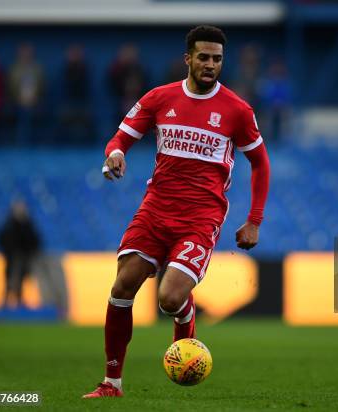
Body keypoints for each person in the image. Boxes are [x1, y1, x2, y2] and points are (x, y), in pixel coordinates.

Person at [83, 25, 271, 398]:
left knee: (169, 298)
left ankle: (184, 316)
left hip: (201, 216)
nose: (210, 65)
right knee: (122, 287)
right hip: (155, 209)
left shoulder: (236, 110)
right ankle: (111, 384)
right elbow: (121, 137)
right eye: (203, 57)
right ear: (188, 59)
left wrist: (254, 220)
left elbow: (261, 164)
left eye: (217, 59)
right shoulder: (159, 98)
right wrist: (116, 153)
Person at [0, 200, 41, 308]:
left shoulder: (27, 225)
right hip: (11, 259)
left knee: (20, 281)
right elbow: (2, 239)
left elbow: (34, 241)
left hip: (23, 259)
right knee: (9, 281)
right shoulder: (9, 225)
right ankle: (5, 303)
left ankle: (19, 302)